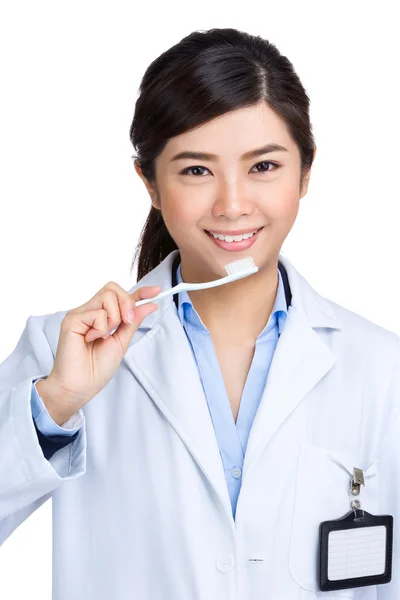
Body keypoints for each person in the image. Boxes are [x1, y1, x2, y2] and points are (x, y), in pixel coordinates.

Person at [1, 26, 399, 600]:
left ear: (306, 173)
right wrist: (56, 402)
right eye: (196, 170)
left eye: (264, 167)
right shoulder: (60, 355)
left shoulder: (381, 369)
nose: (233, 204)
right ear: (151, 184)